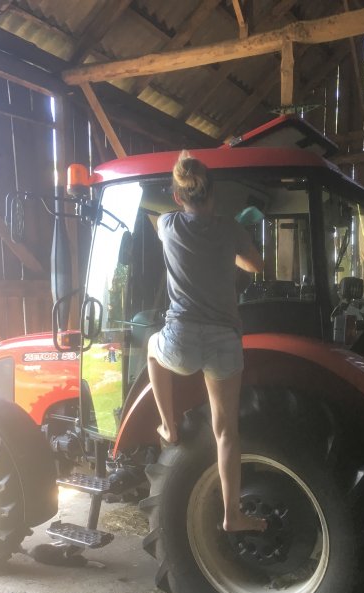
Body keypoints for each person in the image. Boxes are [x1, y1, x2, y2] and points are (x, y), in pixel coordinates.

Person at [147, 151, 266, 533]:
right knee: (226, 431)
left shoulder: (168, 224)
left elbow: (159, 221)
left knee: (152, 349)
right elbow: (256, 265)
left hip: (181, 340)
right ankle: (233, 515)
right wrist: (231, 249)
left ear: (177, 196)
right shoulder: (230, 229)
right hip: (224, 341)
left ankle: (168, 426)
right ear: (213, 193)